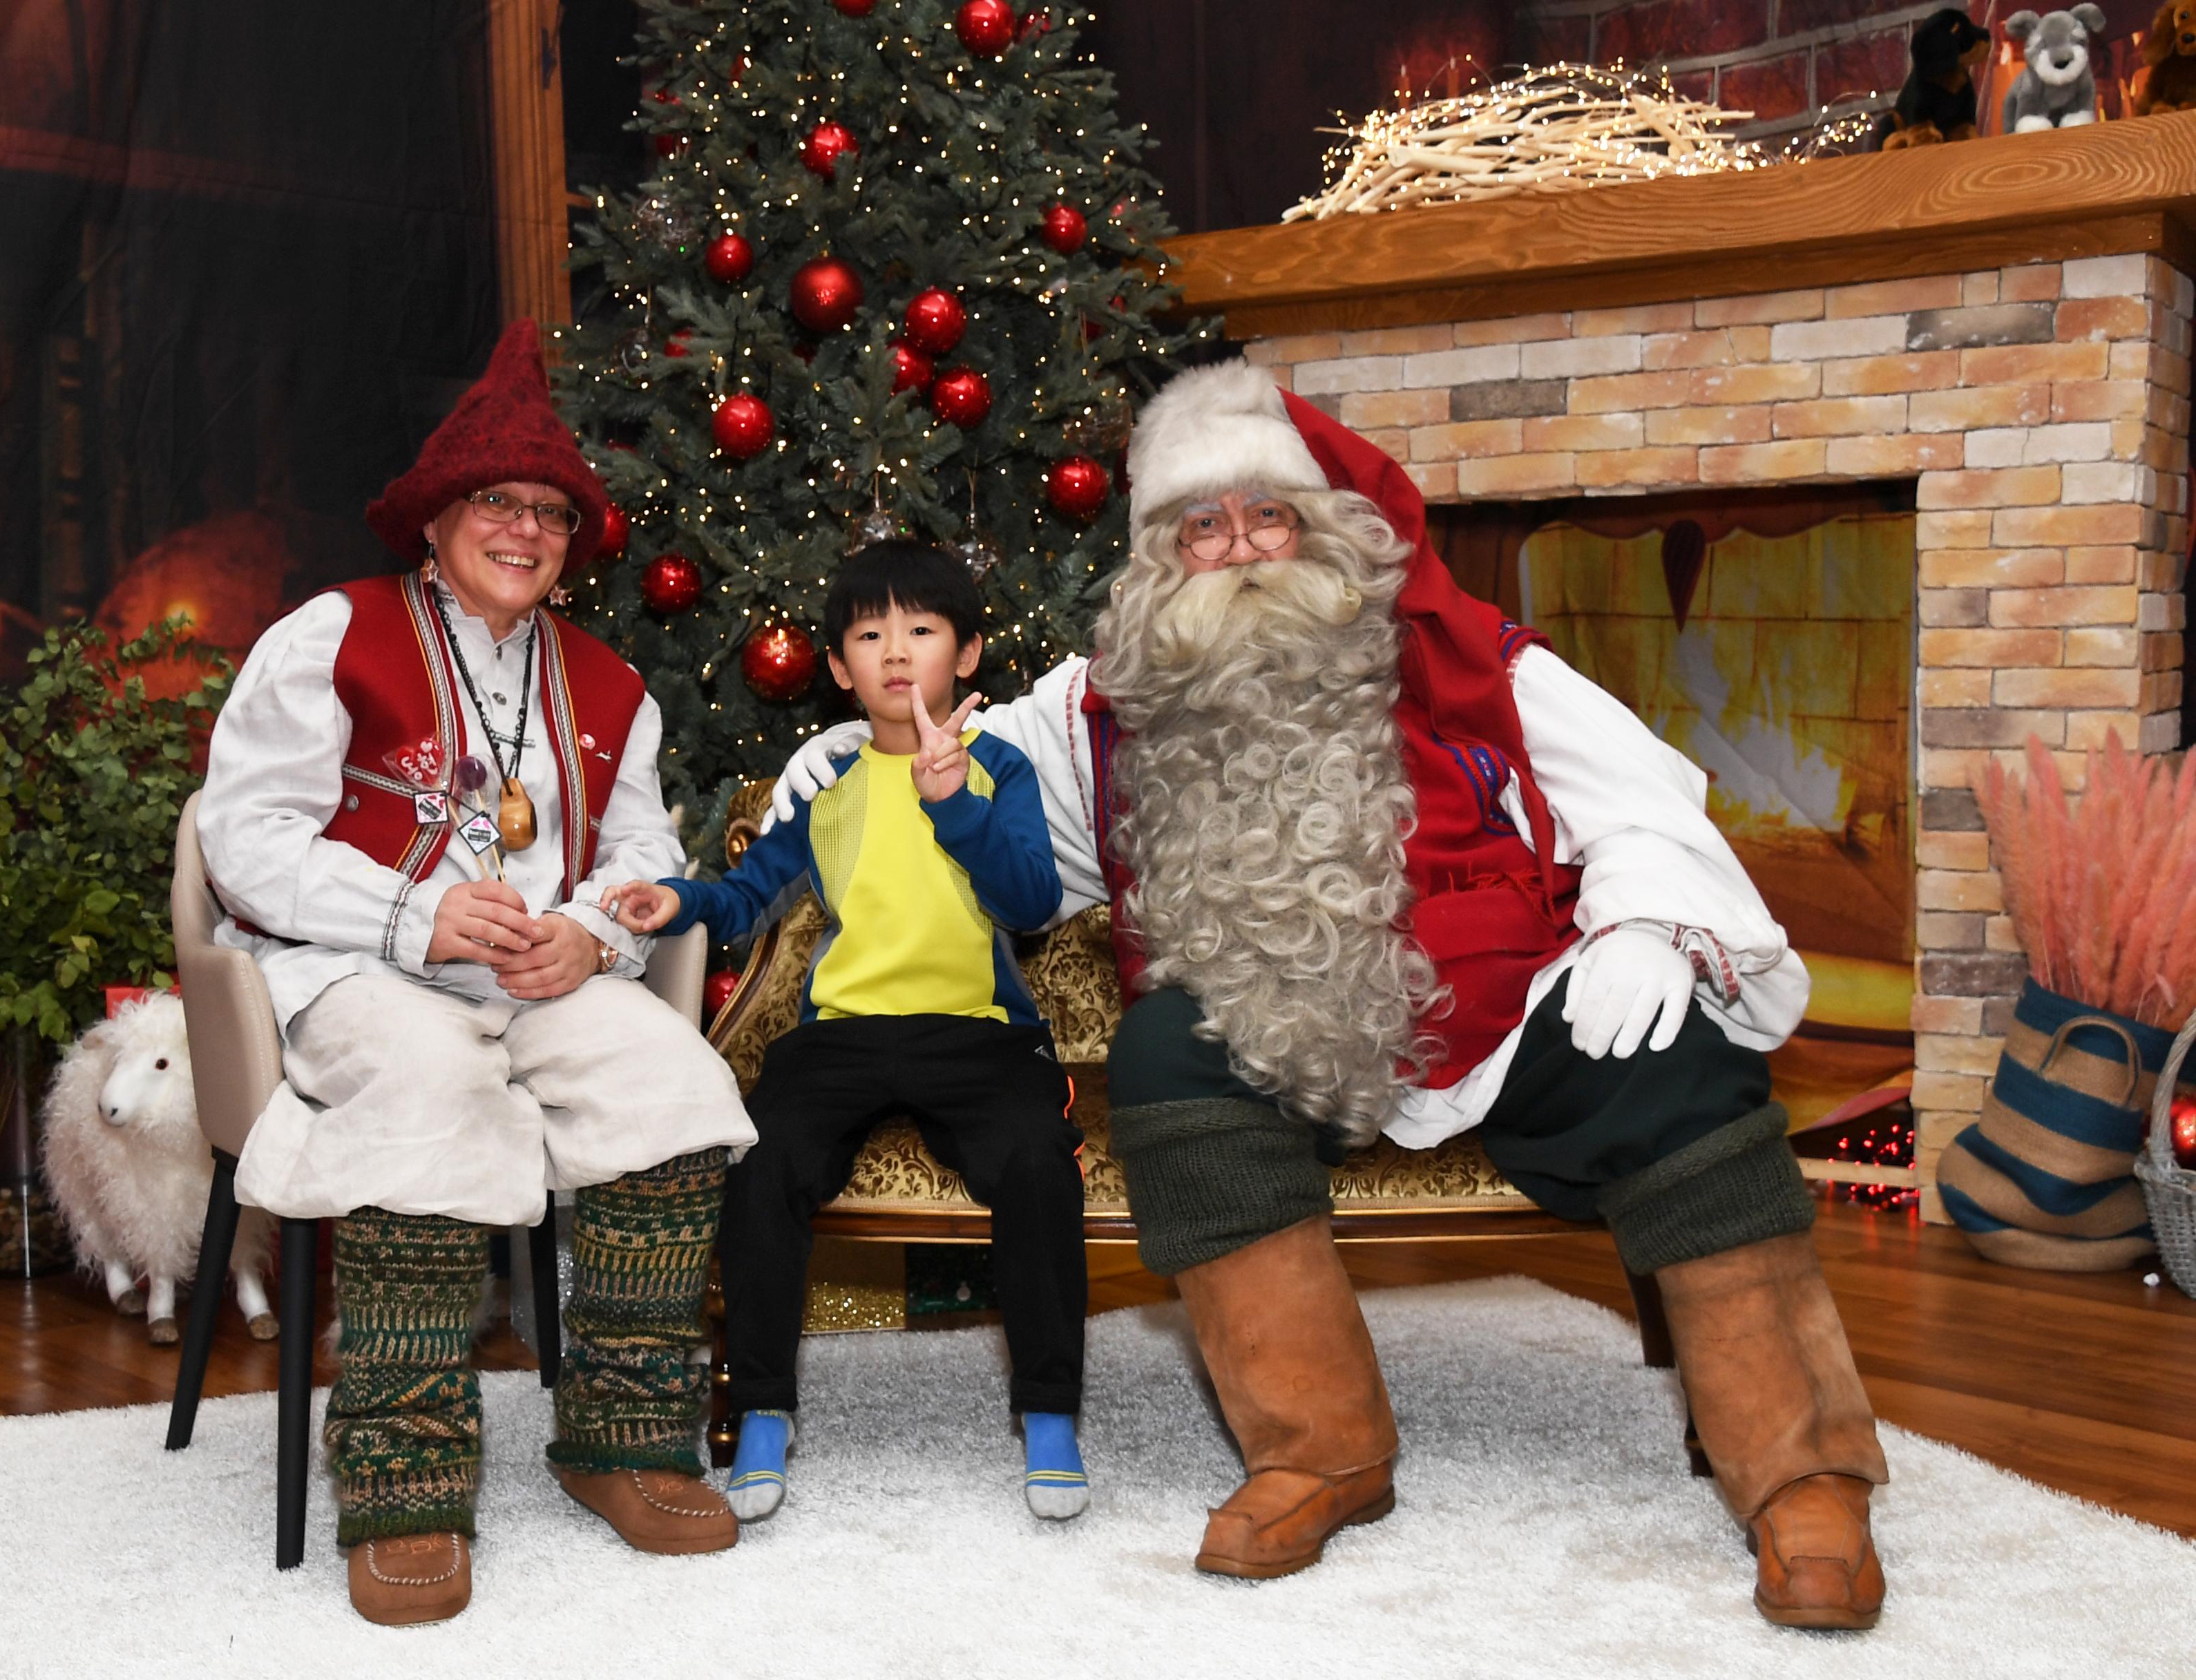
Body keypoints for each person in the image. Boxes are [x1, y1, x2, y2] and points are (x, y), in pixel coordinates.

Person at [767, 361, 1889, 1630]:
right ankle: (1319, 1449)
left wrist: (1644, 929)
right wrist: (868, 748)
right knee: (1167, 1060)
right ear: (1161, 558)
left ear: (1327, 532)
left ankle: (1805, 1476)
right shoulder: (1102, 707)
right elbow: (975, 760)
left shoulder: (1470, 666)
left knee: (1679, 1063)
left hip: (1500, 1010)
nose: (1237, 549)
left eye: (1268, 517)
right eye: (1203, 525)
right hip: (1265, 1021)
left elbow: (1640, 795)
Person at [195, 321, 757, 1627]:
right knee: (430, 1086)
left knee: (674, 1085)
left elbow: (643, 856)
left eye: (551, 513)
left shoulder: (612, 683)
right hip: (350, 972)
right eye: (498, 503)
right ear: (440, 520)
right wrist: (417, 918)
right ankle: (404, 1477)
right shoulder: (331, 634)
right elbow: (244, 837)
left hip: (542, 982)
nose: (526, 529)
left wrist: (600, 935)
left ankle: (621, 1440)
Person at [602, 540, 1090, 1524]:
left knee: (1038, 1163)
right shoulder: (828, 778)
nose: (897, 652)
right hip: (844, 1036)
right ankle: (764, 1407)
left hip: (978, 1032)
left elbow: (1033, 901)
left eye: (922, 629)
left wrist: (956, 807)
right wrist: (678, 898)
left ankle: (1049, 1415)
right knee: (763, 1160)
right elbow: (749, 894)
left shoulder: (999, 767)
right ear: (837, 667)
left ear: (968, 652)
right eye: (870, 634)